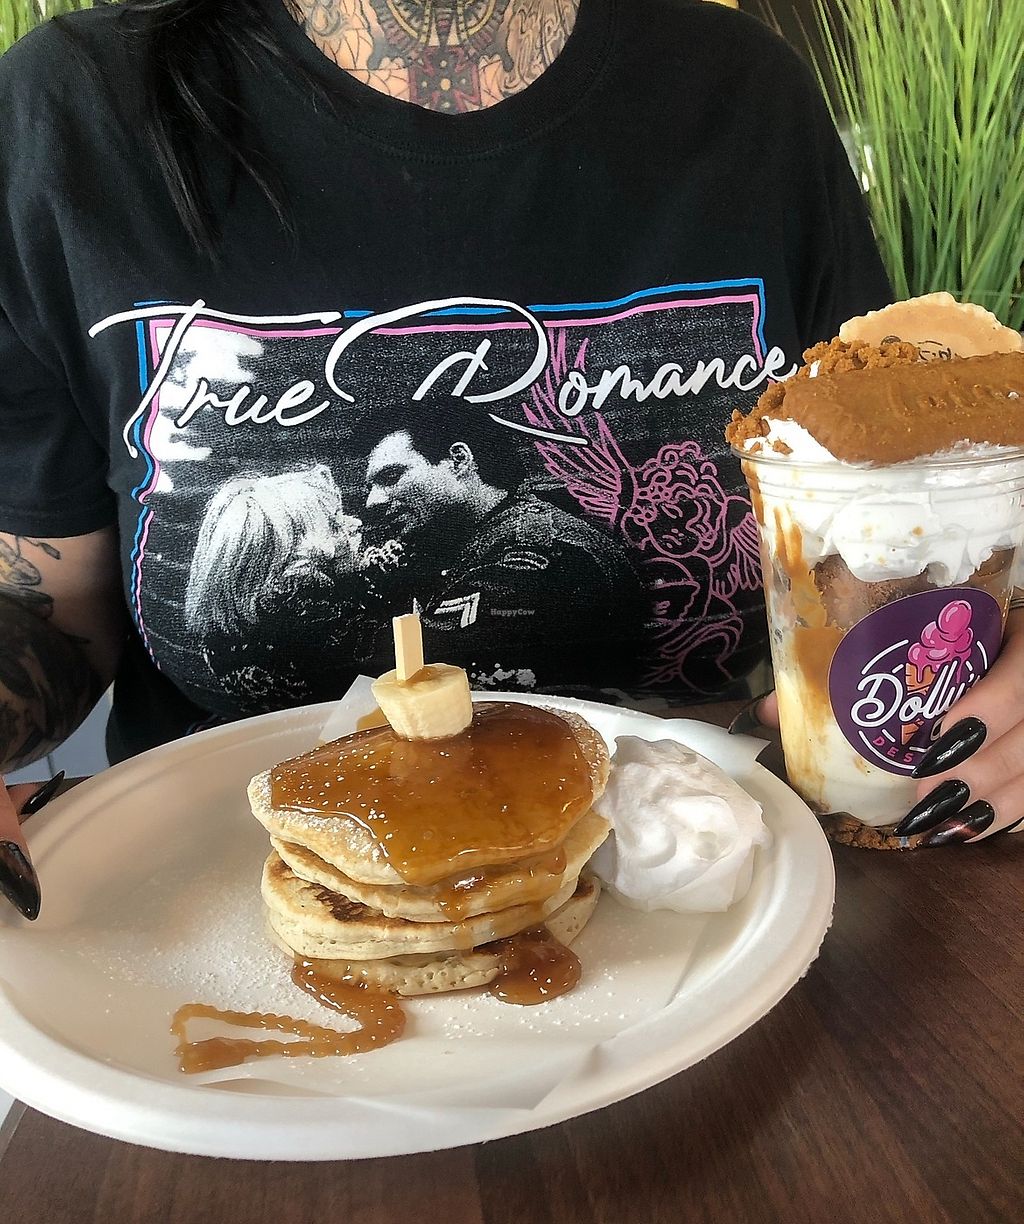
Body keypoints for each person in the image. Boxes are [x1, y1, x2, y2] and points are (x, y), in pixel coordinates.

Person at [2, 0, 1012, 922]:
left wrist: (1000, 658)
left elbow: (903, 528)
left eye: (390, 479)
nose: (368, 508)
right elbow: (46, 605)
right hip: (209, 906)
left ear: (459, 461)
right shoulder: (76, 111)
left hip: (705, 898)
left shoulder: (747, 100)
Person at [355, 397, 650, 689]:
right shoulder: (483, 536)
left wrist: (347, 585)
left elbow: (425, 673)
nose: (372, 501)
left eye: (391, 476)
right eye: (371, 486)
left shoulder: (529, 552)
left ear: (459, 460)